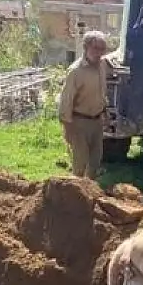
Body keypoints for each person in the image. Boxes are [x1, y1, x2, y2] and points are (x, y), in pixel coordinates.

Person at [58, 30, 110, 179]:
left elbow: (101, 92)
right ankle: (74, 195)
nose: (99, 52)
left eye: (102, 49)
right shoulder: (75, 71)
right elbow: (66, 101)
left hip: (97, 122)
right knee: (80, 163)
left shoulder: (102, 66)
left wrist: (105, 113)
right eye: (95, 48)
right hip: (79, 122)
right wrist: (67, 128)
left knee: (95, 160)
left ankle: (90, 193)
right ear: (86, 48)